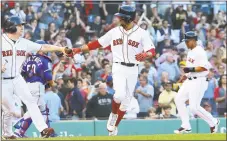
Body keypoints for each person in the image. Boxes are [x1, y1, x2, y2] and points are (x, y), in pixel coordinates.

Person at [72, 5, 155, 136]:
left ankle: (114, 126)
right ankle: (114, 114)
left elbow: (151, 51)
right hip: (118, 67)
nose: (118, 19)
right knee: (119, 95)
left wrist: (145, 55)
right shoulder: (114, 31)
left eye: (121, 17)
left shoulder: (142, 33)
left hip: (133, 69)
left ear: (128, 18)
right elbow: (97, 43)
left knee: (126, 102)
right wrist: (79, 49)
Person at [1, 16, 72, 139]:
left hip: (17, 79)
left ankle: (43, 129)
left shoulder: (23, 42)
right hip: (3, 81)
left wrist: (60, 48)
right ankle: (7, 133)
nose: (22, 28)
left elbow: (43, 47)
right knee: (12, 112)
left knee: (31, 101)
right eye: (20, 25)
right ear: (11, 27)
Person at [174, 31, 219, 134]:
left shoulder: (199, 51)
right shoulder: (191, 51)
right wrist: (185, 75)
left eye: (187, 41)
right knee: (179, 99)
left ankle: (213, 121)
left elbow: (203, 67)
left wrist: (189, 70)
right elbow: (190, 68)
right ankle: (186, 125)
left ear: (193, 40)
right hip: (190, 80)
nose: (186, 43)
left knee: (194, 108)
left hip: (199, 80)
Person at [13, 40, 56, 138]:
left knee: (43, 108)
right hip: (37, 86)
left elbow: (22, 74)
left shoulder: (27, 59)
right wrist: (51, 84)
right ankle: (19, 130)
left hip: (27, 85)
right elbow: (49, 77)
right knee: (34, 109)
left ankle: (48, 133)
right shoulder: (45, 59)